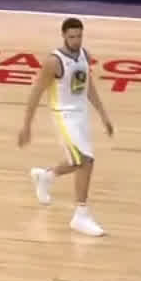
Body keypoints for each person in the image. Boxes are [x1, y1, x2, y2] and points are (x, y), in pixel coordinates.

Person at [22, 18, 116, 237]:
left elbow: (88, 87)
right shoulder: (53, 62)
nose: (76, 40)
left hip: (81, 114)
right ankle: (81, 215)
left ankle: (46, 176)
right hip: (63, 116)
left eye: (79, 36)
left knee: (76, 161)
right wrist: (27, 125)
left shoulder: (84, 55)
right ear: (63, 36)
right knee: (86, 160)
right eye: (72, 36)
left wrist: (103, 115)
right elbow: (36, 92)